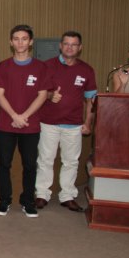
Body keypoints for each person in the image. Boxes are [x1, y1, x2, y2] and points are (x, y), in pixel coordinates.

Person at [0, 24, 50, 218]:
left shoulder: (41, 67)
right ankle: (4, 200)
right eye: (16, 39)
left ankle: (28, 201)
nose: (20, 42)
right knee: (4, 163)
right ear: (11, 42)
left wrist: (24, 116)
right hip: (6, 124)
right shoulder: (3, 67)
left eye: (24, 39)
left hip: (30, 125)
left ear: (30, 42)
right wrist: (14, 116)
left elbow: (42, 95)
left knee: (30, 165)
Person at [35, 31, 97, 212]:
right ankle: (42, 194)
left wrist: (88, 123)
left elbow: (90, 100)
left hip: (74, 124)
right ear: (60, 46)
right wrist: (50, 95)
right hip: (48, 123)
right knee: (45, 160)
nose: (70, 47)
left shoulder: (87, 70)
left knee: (71, 162)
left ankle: (67, 196)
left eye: (74, 44)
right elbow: (37, 93)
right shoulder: (47, 66)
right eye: (66, 44)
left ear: (80, 48)